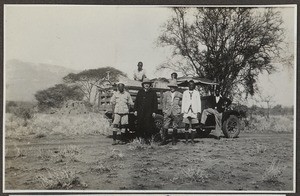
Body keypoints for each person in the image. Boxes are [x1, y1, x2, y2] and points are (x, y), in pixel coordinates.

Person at [134, 78, 158, 144]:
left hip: (149, 112)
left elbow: (155, 103)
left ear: (150, 85)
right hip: (140, 112)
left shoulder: (153, 92)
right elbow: (136, 102)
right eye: (145, 84)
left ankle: (148, 140)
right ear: (143, 85)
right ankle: (140, 140)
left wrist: (154, 112)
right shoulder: (140, 92)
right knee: (140, 125)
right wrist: (135, 110)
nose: (146, 85)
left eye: (148, 84)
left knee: (148, 126)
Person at [160, 80, 182, 145]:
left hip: (175, 112)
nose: (172, 88)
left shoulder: (179, 94)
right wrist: (164, 110)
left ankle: (174, 140)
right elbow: (163, 102)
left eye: (173, 86)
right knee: (165, 125)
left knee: (175, 126)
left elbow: (183, 102)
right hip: (167, 111)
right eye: (171, 86)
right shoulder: (166, 94)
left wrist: (180, 110)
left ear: (176, 87)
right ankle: (164, 140)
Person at [181, 80, 201, 145]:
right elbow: (183, 102)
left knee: (193, 126)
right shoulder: (185, 93)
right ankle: (186, 140)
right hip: (187, 111)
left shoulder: (197, 93)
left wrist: (198, 111)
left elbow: (199, 102)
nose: (191, 86)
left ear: (194, 86)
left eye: (192, 85)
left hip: (194, 111)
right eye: (190, 85)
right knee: (186, 126)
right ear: (188, 86)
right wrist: (182, 111)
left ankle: (192, 140)